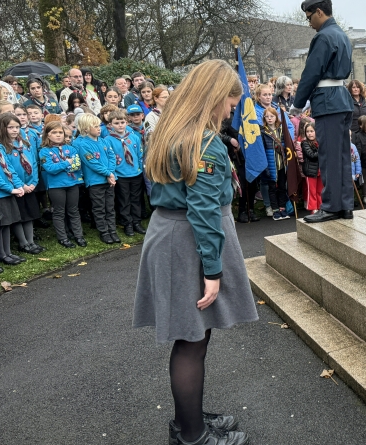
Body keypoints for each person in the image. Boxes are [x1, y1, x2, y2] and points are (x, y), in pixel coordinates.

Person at [133, 59, 257, 445]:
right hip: (188, 241)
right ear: (213, 98)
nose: (230, 112)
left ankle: (188, 419)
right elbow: (204, 213)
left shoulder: (175, 131)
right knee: (192, 339)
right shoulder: (203, 143)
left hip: (172, 233)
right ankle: (191, 436)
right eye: (230, 105)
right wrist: (213, 270)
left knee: (193, 335)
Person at [291, 0, 355, 223]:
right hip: (340, 98)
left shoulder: (323, 36)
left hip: (327, 101)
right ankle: (344, 205)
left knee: (329, 157)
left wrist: (298, 104)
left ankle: (330, 206)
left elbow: (311, 72)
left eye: (310, 17)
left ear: (319, 11)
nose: (309, 23)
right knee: (341, 157)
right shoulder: (341, 35)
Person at [0, 112, 44, 255]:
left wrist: (33, 182)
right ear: (2, 128)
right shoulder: (3, 147)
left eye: (17, 127)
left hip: (29, 185)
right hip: (16, 187)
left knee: (29, 214)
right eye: (10, 127)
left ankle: (31, 241)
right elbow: (9, 170)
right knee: (18, 216)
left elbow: (33, 163)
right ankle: (23, 243)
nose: (14, 130)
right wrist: (21, 185)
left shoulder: (24, 143)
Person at [39, 121, 86, 248]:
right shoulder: (44, 151)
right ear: (48, 135)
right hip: (56, 186)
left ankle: (78, 235)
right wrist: (66, 163)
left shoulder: (71, 148)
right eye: (54, 132)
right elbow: (50, 168)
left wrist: (62, 166)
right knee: (59, 212)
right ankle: (63, 237)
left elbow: (77, 165)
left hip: (72, 183)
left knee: (73, 210)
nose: (58, 135)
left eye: (60, 132)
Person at [74, 114, 119, 244]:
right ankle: (104, 232)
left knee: (110, 207)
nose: (99, 128)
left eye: (99, 125)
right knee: (99, 208)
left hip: (109, 180)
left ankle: (112, 230)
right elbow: (92, 163)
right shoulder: (82, 144)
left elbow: (112, 156)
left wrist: (110, 173)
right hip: (95, 182)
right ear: (86, 128)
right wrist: (108, 174)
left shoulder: (103, 140)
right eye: (95, 126)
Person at [105, 109, 145, 236]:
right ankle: (127, 223)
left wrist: (139, 168)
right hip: (121, 175)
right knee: (124, 201)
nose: (120, 125)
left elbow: (140, 153)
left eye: (122, 122)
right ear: (110, 125)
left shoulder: (133, 137)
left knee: (136, 199)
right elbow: (108, 158)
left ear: (127, 122)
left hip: (135, 173)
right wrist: (113, 174)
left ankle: (137, 222)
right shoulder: (108, 140)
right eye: (116, 123)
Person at [261, 106, 291, 221]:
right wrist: (266, 167)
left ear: (276, 117)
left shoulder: (281, 129)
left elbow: (287, 145)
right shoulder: (263, 132)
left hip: (281, 163)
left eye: (271, 116)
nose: (269, 118)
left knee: (282, 186)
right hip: (271, 163)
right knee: (272, 188)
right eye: (267, 116)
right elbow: (262, 150)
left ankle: (282, 208)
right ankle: (275, 210)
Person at [352, 116, 366, 204]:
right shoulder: (357, 135)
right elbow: (358, 150)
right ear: (361, 125)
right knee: (365, 179)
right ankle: (365, 195)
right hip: (363, 161)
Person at [300, 122, 322, 214]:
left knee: (320, 191)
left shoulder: (320, 142)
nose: (309, 133)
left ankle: (321, 207)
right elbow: (311, 155)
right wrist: (322, 151)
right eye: (307, 131)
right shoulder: (305, 143)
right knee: (312, 191)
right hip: (310, 171)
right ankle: (313, 208)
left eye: (312, 131)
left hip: (320, 170)